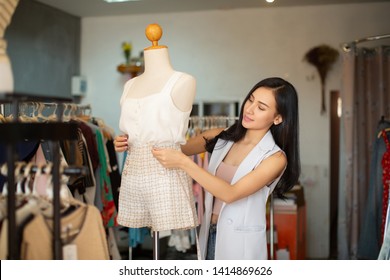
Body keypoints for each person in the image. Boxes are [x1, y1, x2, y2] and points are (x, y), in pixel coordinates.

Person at [116, 77, 300, 260]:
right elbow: (172, 150)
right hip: (210, 232)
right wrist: (131, 143)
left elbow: (230, 193)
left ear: (278, 118)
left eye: (261, 107)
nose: (249, 109)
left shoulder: (275, 158)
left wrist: (184, 162)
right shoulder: (221, 137)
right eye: (250, 100)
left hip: (240, 243)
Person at [116, 23, 198, 233]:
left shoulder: (183, 81)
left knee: (163, 233)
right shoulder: (130, 85)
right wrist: (123, 140)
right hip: (133, 169)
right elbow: (134, 126)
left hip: (165, 170)